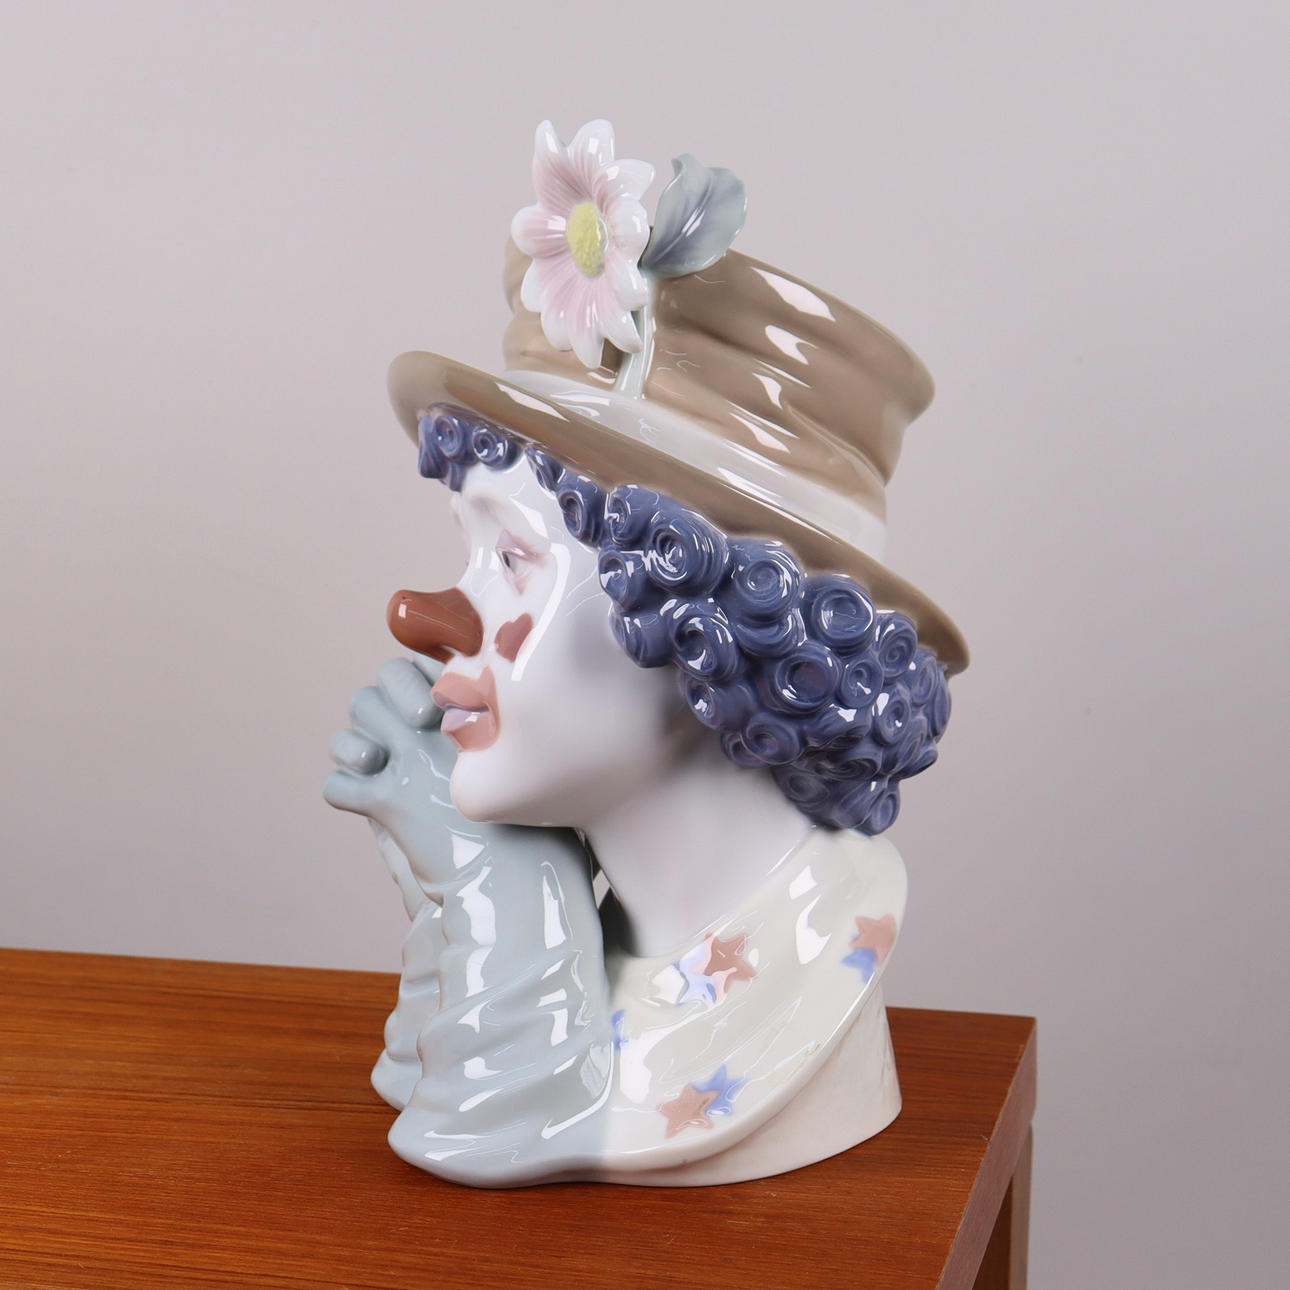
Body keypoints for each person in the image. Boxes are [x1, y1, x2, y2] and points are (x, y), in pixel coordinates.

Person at [325, 120, 966, 1186]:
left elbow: (484, 1127)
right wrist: (489, 891)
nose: (423, 616)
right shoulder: (599, 945)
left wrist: (503, 904)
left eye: (513, 559)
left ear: (709, 630)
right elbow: (436, 1088)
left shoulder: (802, 965)